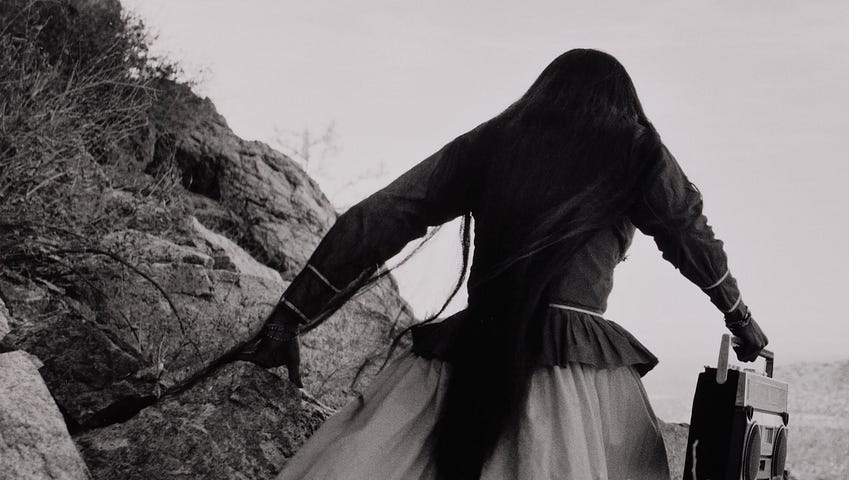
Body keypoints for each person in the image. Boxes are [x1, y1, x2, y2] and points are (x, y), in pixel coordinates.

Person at [236, 48, 769, 480]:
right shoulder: (634, 146)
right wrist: (741, 320)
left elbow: (384, 215)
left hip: (469, 351)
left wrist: (290, 315)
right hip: (574, 377)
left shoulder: (496, 140)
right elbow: (688, 233)